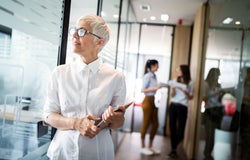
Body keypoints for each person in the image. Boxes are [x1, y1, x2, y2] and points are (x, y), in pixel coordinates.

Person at [43, 14, 126, 160]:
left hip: (98, 153)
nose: (74, 34)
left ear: (99, 42)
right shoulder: (60, 73)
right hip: (62, 152)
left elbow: (118, 123)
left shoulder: (116, 77)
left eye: (82, 31)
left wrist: (115, 118)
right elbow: (48, 115)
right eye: (74, 30)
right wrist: (75, 123)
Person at [140, 59, 167, 155]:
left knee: (156, 124)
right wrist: (155, 88)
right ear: (152, 66)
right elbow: (142, 90)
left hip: (153, 101)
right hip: (147, 101)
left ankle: (150, 146)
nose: (158, 68)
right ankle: (142, 147)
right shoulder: (147, 76)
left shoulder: (154, 76)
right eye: (157, 66)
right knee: (146, 124)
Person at [168, 65, 193, 158]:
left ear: (184, 71)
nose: (177, 71)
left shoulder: (190, 82)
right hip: (173, 106)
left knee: (181, 132)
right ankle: (173, 150)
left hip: (182, 107)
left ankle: (173, 147)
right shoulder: (175, 80)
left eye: (179, 70)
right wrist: (173, 89)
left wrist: (184, 90)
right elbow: (172, 95)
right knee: (172, 128)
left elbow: (191, 97)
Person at [202, 68, 222, 160]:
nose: (218, 77)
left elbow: (220, 99)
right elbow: (203, 98)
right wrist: (214, 94)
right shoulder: (206, 84)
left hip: (217, 110)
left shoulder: (219, 85)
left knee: (213, 135)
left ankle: (209, 153)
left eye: (218, 75)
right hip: (209, 111)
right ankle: (207, 153)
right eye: (216, 75)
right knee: (209, 134)